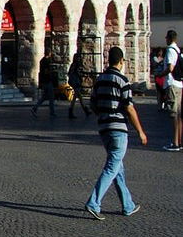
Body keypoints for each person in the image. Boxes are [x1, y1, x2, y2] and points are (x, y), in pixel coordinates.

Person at [85, 46, 146, 220]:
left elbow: (93, 103)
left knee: (118, 167)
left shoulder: (100, 79)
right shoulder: (122, 80)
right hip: (118, 129)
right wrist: (140, 131)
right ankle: (93, 202)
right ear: (121, 61)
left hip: (104, 128)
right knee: (112, 167)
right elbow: (129, 108)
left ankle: (128, 205)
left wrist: (102, 114)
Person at [161, 29, 182, 151]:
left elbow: (170, 67)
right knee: (179, 114)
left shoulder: (170, 50)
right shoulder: (178, 50)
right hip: (179, 83)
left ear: (168, 38)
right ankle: (179, 140)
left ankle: (175, 143)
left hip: (172, 83)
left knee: (173, 114)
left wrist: (161, 74)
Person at [31, 51, 58, 117]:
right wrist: (51, 73)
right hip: (48, 81)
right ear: (49, 53)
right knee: (51, 97)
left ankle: (35, 108)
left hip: (43, 81)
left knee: (44, 97)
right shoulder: (47, 61)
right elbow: (47, 71)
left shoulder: (41, 61)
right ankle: (52, 112)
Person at [67, 52, 92, 119]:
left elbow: (69, 73)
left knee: (77, 97)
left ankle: (82, 110)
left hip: (75, 82)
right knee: (78, 97)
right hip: (76, 82)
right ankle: (84, 110)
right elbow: (75, 73)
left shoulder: (73, 65)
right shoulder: (76, 65)